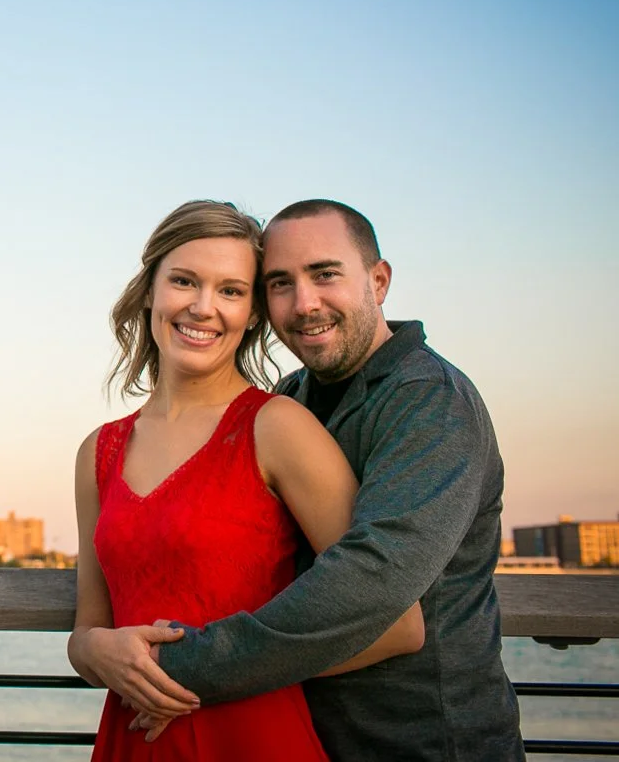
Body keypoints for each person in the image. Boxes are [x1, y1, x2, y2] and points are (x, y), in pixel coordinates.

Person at [124, 199, 523, 761]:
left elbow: (373, 580)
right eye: (280, 283)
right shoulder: (289, 400)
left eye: (325, 274)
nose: (304, 303)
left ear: (379, 282)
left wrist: (166, 669)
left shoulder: (430, 399)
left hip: (428, 742)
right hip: (304, 737)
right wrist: (94, 643)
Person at [68, 200, 425, 761]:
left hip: (254, 736)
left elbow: (397, 624)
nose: (204, 308)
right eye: (184, 281)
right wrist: (96, 653)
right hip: (135, 739)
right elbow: (89, 628)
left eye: (231, 291)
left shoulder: (279, 427)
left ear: (254, 312)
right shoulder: (99, 452)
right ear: (149, 291)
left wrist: (195, 673)